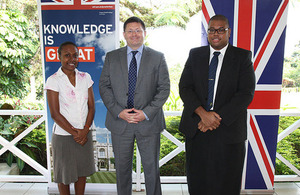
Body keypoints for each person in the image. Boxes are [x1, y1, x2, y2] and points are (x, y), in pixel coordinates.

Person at [179, 15, 256, 195]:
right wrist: (203, 114)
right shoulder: (195, 54)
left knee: (227, 183)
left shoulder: (242, 57)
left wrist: (214, 118)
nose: (216, 34)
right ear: (207, 33)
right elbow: (185, 87)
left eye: (221, 30)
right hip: (197, 129)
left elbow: (246, 93)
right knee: (198, 181)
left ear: (229, 32)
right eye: (212, 29)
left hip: (228, 130)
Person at [99, 16, 170, 195]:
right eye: (130, 31)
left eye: (138, 30)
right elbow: (104, 87)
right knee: (122, 170)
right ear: (124, 34)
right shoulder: (111, 57)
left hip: (148, 122)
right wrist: (118, 112)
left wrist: (145, 113)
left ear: (144, 33)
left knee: (151, 169)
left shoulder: (157, 57)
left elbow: (164, 89)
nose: (134, 34)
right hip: (120, 122)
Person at [45, 41, 96, 195]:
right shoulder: (53, 80)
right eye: (67, 55)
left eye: (75, 55)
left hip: (84, 135)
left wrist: (85, 130)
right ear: (59, 57)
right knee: (64, 177)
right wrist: (76, 134)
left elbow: (91, 107)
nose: (72, 59)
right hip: (64, 136)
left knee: (81, 174)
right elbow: (55, 113)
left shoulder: (85, 77)